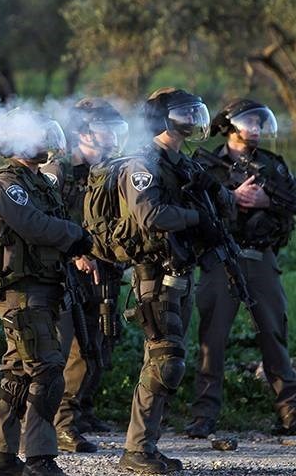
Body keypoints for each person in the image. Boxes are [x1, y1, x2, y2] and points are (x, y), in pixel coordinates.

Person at [116, 87, 233, 473]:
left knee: (168, 361)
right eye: (184, 113)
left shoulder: (185, 164)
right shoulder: (143, 163)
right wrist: (197, 217)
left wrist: (219, 198)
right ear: (162, 119)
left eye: (194, 112)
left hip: (181, 272)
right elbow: (151, 216)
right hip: (154, 274)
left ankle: (146, 445)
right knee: (164, 361)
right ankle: (137, 449)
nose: (193, 120)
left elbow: (221, 205)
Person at [0, 110, 92, 476]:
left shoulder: (39, 181)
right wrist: (76, 235)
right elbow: (34, 225)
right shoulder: (5, 183)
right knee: (47, 370)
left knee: (18, 372)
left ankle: (1, 456)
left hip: (43, 286)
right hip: (21, 290)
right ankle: (40, 458)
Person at [186, 99, 296, 438]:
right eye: (250, 123)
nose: (257, 129)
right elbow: (191, 205)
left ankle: (290, 410)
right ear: (229, 127)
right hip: (221, 257)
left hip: (261, 257)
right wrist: (231, 197)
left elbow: (291, 200)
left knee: (273, 332)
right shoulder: (205, 165)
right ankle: (205, 413)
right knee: (212, 336)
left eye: (260, 123)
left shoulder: (273, 166)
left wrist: (267, 201)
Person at [40, 98, 128, 453]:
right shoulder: (58, 170)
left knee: (100, 340)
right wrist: (75, 253)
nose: (111, 136)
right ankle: (63, 422)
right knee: (73, 348)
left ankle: (83, 407)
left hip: (104, 269)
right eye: (103, 129)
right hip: (67, 272)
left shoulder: (110, 170)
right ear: (83, 132)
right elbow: (43, 221)